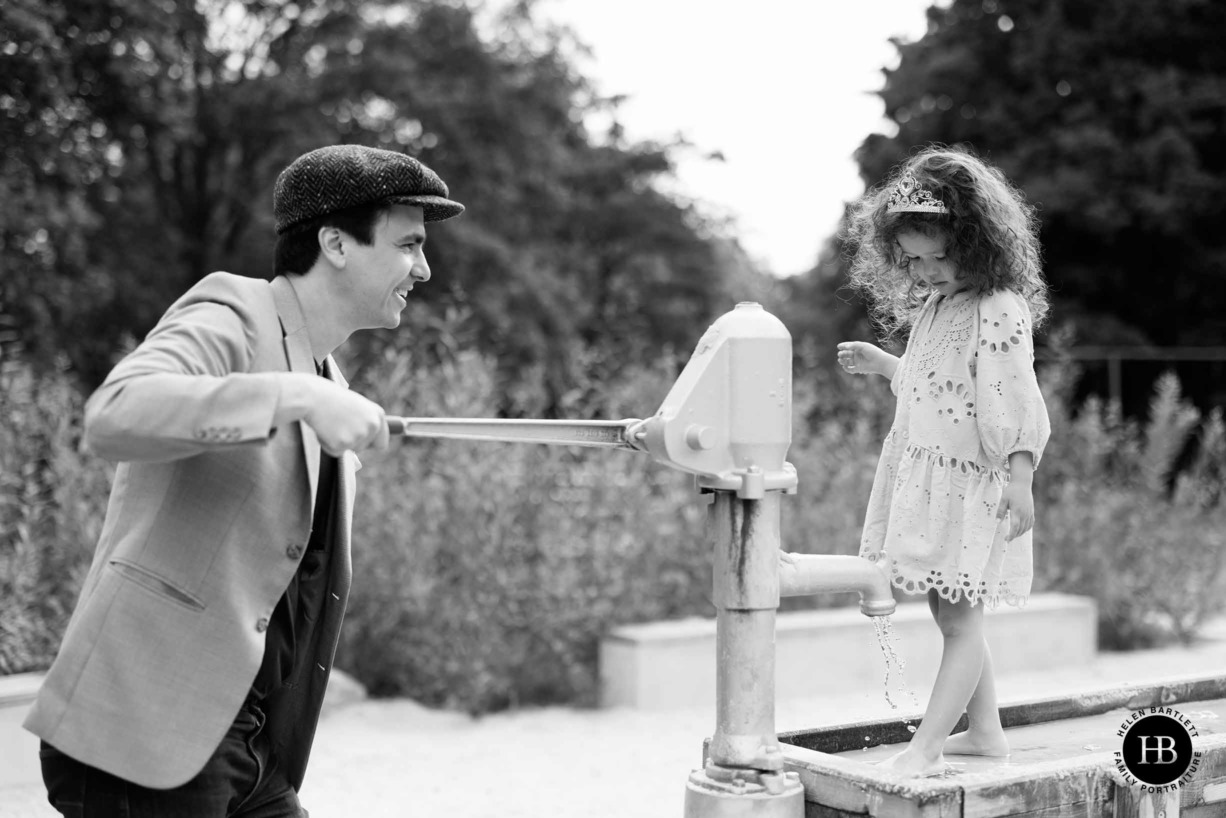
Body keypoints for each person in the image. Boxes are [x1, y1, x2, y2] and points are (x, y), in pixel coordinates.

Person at [25, 144, 464, 816]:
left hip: (245, 748)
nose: (424, 269)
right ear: (336, 244)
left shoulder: (331, 384)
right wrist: (294, 397)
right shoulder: (232, 309)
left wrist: (310, 397)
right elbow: (113, 414)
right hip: (142, 737)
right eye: (408, 246)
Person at [836, 145, 1051, 777]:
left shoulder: (997, 308)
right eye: (915, 260)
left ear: (978, 242)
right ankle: (985, 734)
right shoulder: (939, 307)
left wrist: (1020, 478)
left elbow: (1012, 397)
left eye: (940, 256)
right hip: (928, 478)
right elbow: (945, 391)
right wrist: (885, 365)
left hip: (974, 486)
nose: (927, 271)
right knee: (948, 610)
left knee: (959, 617)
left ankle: (927, 747)